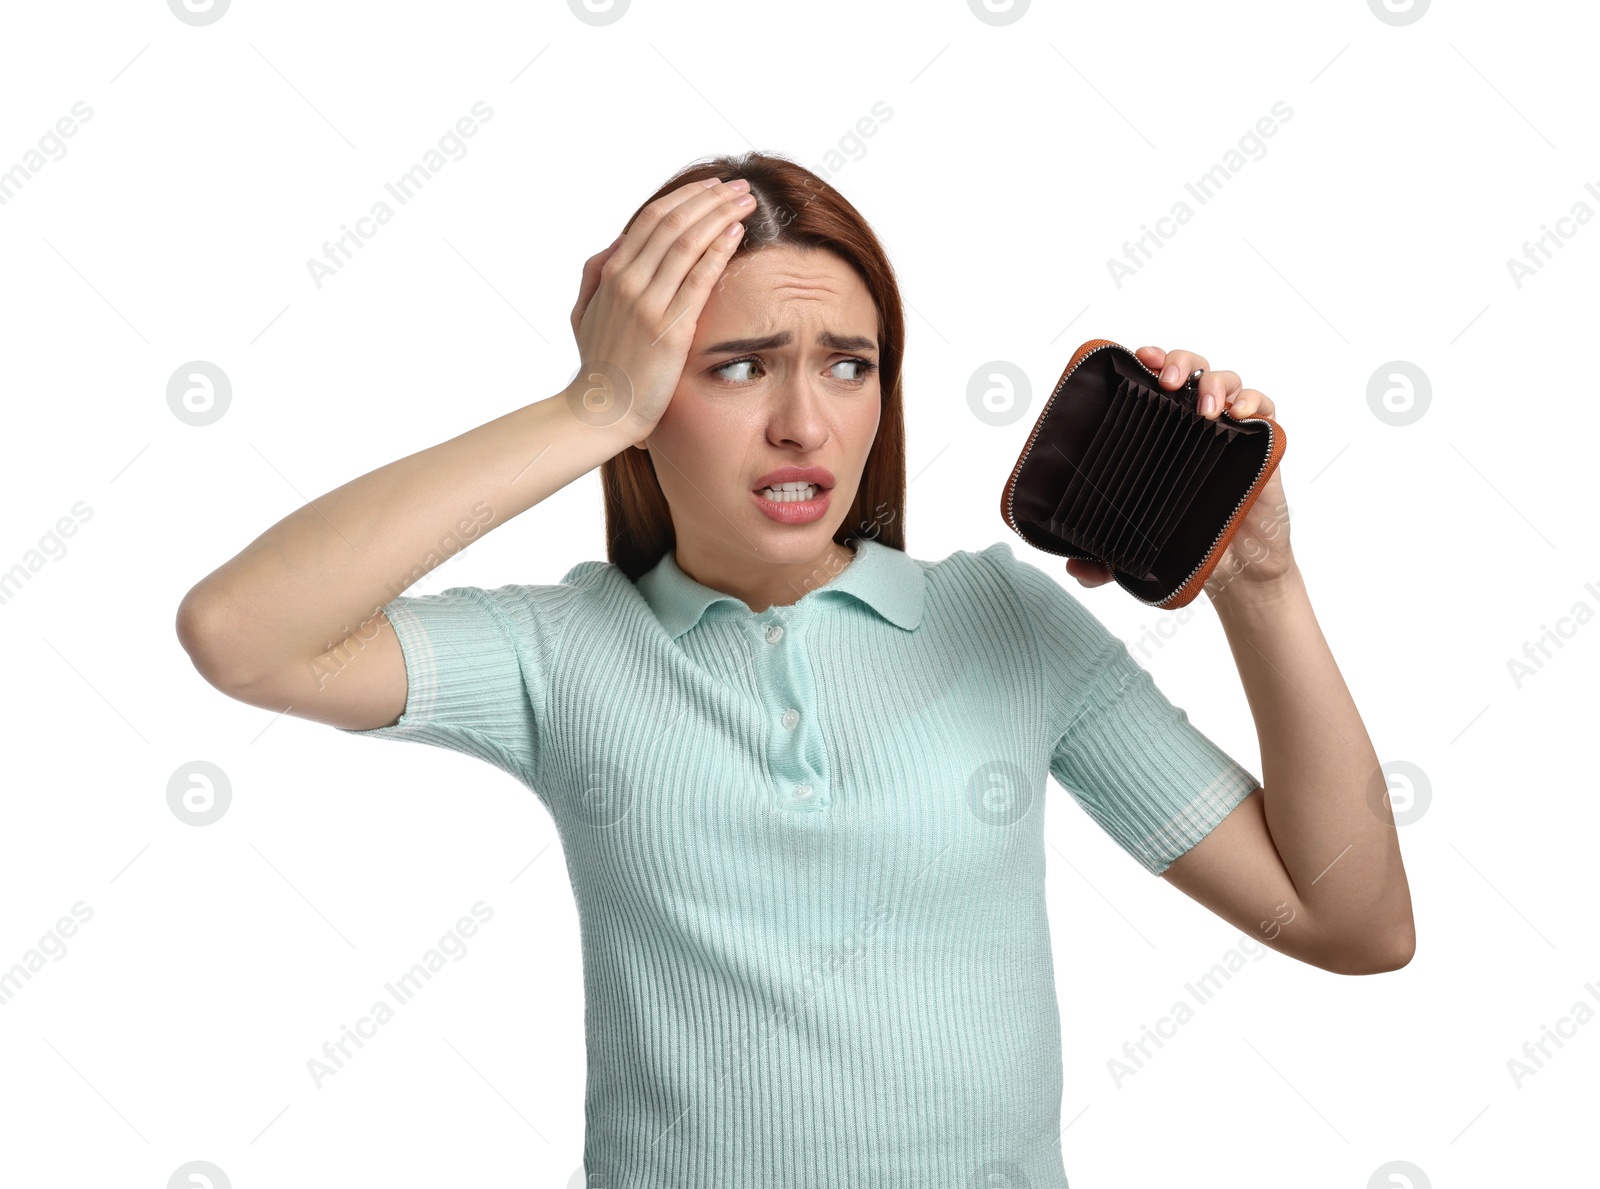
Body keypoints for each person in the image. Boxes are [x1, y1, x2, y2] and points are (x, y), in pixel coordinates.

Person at [175, 150, 1414, 1188]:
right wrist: (588, 406)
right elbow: (244, 633)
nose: (803, 423)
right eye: (736, 364)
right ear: (654, 392)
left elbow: (1354, 924)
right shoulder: (562, 650)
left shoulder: (1002, 623)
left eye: (846, 363)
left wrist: (1261, 583)